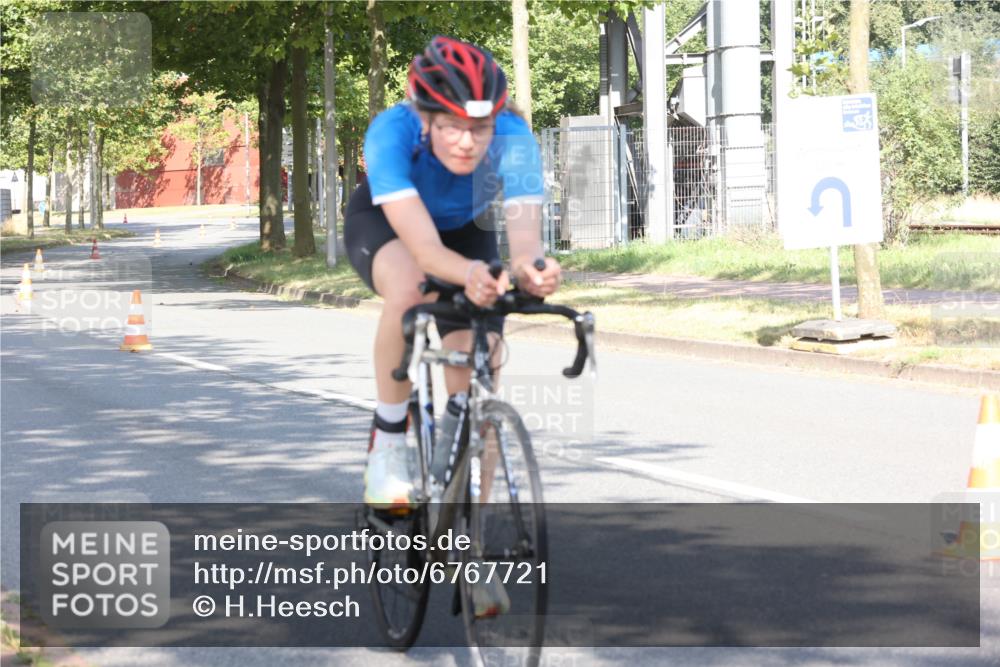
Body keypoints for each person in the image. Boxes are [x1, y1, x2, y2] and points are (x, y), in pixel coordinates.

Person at [344, 36, 561, 512]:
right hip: (388, 225)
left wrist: (533, 270)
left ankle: (472, 530)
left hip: (465, 231)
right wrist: (473, 274)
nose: (467, 142)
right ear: (424, 117)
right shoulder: (391, 132)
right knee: (410, 287)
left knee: (476, 368)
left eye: (479, 128)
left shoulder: (513, 136)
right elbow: (424, 251)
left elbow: (526, 244)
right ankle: (388, 438)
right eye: (450, 126)